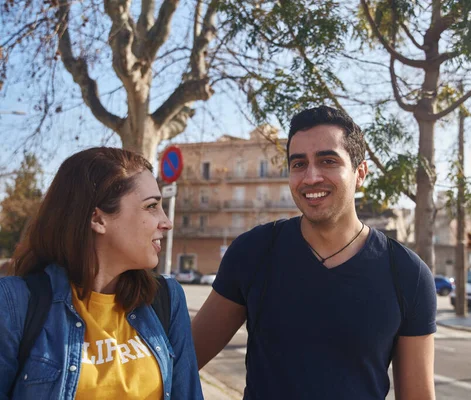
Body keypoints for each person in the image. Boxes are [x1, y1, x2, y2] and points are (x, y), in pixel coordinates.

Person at [192, 106, 437, 399]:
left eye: (328, 160)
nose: (310, 177)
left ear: (360, 173)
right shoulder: (254, 252)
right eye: (298, 164)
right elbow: (183, 359)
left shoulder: (408, 274)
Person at [0, 147, 204, 399]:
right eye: (151, 206)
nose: (166, 222)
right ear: (98, 219)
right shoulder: (14, 303)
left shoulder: (165, 299)